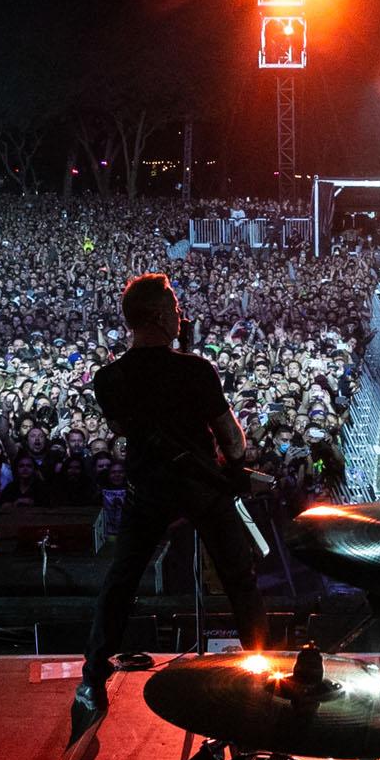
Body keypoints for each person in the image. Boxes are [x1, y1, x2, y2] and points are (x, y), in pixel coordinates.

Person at [76, 272, 270, 735]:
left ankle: (92, 678)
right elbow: (233, 441)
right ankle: (261, 675)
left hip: (147, 493)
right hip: (203, 490)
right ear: (160, 317)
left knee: (122, 582)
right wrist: (227, 463)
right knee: (240, 582)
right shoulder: (195, 370)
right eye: (176, 309)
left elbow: (122, 429)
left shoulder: (109, 379)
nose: (181, 316)